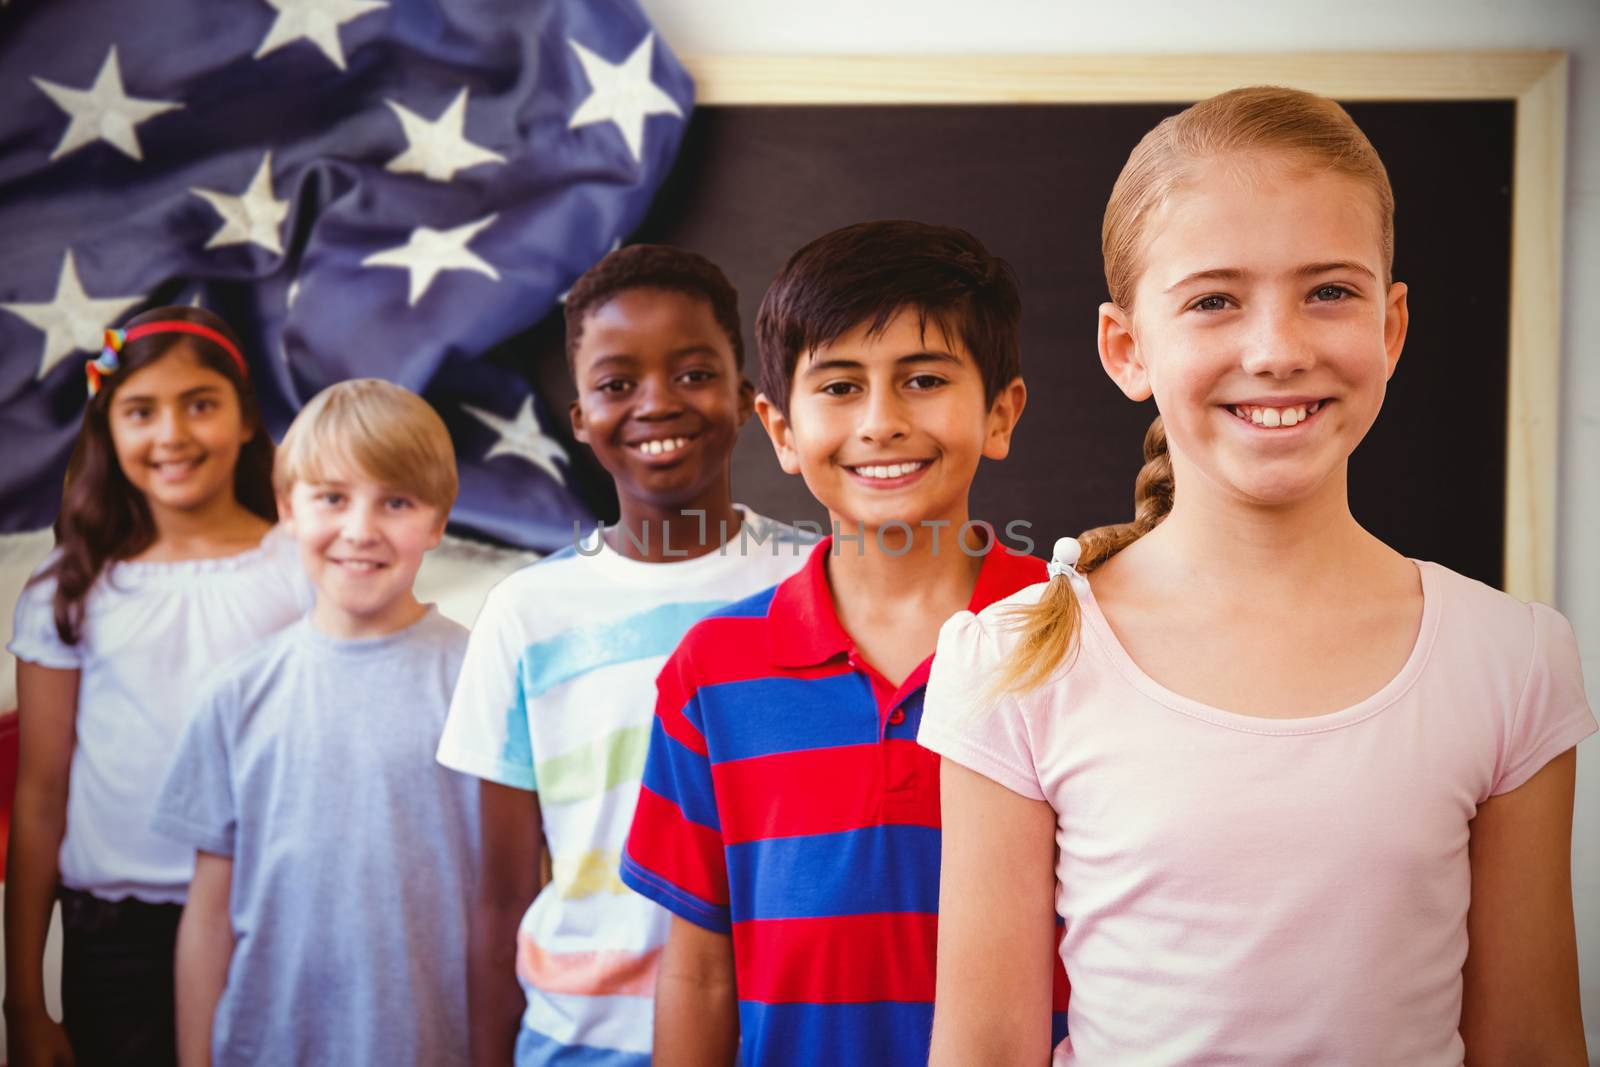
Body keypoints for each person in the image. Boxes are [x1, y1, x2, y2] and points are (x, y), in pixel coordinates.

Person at [921, 86, 1595, 1065]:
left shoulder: (1511, 658)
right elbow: (983, 1046)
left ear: (1392, 326)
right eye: (1213, 300)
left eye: (1328, 290)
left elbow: (1531, 1042)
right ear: (1127, 348)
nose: (1276, 349)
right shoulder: (1012, 657)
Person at [620, 220, 1067, 1067]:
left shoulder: (1072, 636)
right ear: (782, 430)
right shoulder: (711, 673)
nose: (881, 422)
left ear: (1001, 411)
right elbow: (701, 976)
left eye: (924, 378)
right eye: (838, 386)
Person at [436, 245, 811, 1066]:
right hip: (577, 1042)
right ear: (580, 418)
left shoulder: (819, 582)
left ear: (749, 399)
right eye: (616, 383)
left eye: (692, 372)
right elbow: (500, 898)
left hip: (779, 1033)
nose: (656, 404)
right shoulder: (526, 613)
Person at [4, 307, 310, 1066]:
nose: (171, 435)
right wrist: (26, 1006)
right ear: (109, 429)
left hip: (274, 916)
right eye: (141, 411)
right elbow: (42, 793)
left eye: (200, 403)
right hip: (115, 937)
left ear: (244, 418)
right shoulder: (66, 589)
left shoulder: (303, 566)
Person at [151, 379, 476, 1066]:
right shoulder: (238, 694)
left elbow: (519, 888)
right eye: (332, 496)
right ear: (287, 507)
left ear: (439, 520)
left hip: (438, 1045)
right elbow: (208, 917)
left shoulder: (481, 679)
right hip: (267, 1046)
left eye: (395, 500)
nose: (360, 529)